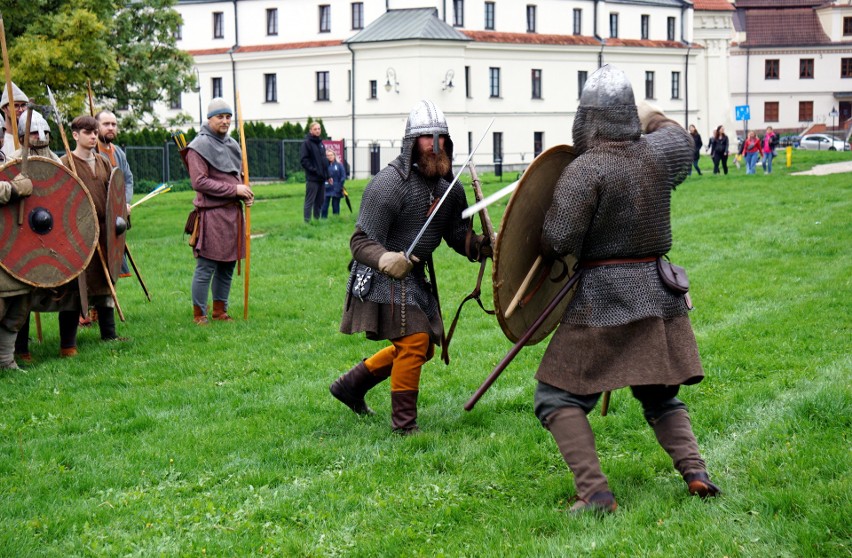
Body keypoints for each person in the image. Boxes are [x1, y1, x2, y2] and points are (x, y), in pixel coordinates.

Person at [535, 65, 720, 515]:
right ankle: (695, 473)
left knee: (556, 396)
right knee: (659, 393)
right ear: (628, 116)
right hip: (659, 295)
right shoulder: (659, 154)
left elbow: (557, 241)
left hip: (605, 297)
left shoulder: (585, 170)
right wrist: (650, 116)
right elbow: (679, 135)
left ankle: (595, 494)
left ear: (587, 118)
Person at [330, 99, 489, 435]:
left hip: (414, 277)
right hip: (377, 276)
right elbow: (360, 243)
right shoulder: (388, 184)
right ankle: (404, 426)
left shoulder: (450, 188)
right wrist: (386, 258)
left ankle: (351, 386)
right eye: (426, 138)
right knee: (416, 342)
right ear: (411, 143)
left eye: (440, 137)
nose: (435, 145)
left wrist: (480, 246)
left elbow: (455, 235)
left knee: (421, 348)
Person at [186, 98, 253, 325]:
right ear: (209, 119)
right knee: (207, 265)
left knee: (228, 264)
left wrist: (245, 192)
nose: (225, 121)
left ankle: (220, 311)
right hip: (212, 214)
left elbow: (239, 176)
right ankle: (199, 314)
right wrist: (235, 189)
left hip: (233, 214)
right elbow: (200, 182)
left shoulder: (233, 144)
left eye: (228, 117)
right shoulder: (198, 146)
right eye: (220, 117)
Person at [0, 165, 34, 368]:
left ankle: (5, 360)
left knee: (19, 307)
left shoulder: (9, 160)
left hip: (17, 248)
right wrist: (14, 188)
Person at [96, 110, 134, 280]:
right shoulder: (92, 152)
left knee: (113, 263)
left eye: (113, 124)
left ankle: (106, 304)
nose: (110, 128)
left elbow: (127, 180)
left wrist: (124, 202)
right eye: (106, 124)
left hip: (116, 216)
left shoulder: (118, 152)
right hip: (98, 216)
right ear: (96, 126)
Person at [300, 122, 330, 223]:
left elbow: (324, 161)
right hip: (312, 178)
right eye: (315, 129)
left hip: (321, 178)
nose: (317, 131)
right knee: (310, 201)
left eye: (319, 129)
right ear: (311, 130)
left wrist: (328, 176)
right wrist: (314, 170)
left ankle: (316, 221)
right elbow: (304, 160)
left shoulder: (321, 144)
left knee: (320, 201)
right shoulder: (307, 143)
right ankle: (307, 222)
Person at [0, 82, 28, 160]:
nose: (21, 109)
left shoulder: (31, 139)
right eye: (16, 105)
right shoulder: (1, 140)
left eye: (23, 105)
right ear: (4, 108)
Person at [320, 149, 346, 218]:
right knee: (324, 207)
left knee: (335, 206)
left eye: (331, 155)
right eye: (328, 155)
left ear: (334, 155)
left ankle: (336, 220)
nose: (330, 157)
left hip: (336, 188)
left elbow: (343, 177)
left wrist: (340, 187)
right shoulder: (324, 166)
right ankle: (323, 220)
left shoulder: (339, 165)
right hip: (326, 188)